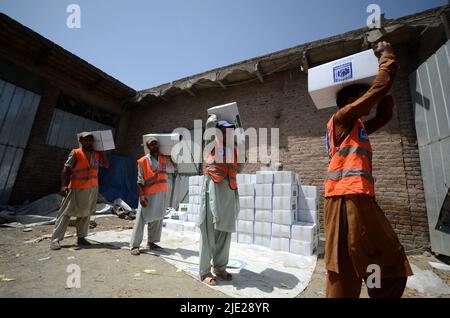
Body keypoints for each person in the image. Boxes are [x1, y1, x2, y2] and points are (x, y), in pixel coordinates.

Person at [324, 41, 413, 298]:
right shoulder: (343, 118)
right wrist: (387, 57)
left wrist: (386, 108)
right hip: (348, 198)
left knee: (349, 262)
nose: (368, 104)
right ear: (351, 101)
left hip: (350, 197)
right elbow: (377, 89)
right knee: (382, 258)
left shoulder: (354, 128)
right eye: (362, 99)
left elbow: (380, 119)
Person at [198, 115, 244, 285]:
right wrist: (214, 118)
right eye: (224, 130)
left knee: (225, 231)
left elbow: (239, 167)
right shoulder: (212, 142)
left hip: (230, 190)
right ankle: (204, 272)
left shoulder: (235, 149)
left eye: (230, 130)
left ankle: (219, 267)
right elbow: (209, 126)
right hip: (213, 189)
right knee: (208, 230)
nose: (228, 133)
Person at [50, 132, 109, 250]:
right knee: (65, 213)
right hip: (76, 187)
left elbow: (106, 165)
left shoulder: (97, 154)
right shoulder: (76, 152)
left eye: (90, 140)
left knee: (86, 213)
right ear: (81, 141)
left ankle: (81, 238)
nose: (87, 142)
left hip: (91, 188)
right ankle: (55, 239)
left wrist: (103, 152)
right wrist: (63, 185)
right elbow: (66, 169)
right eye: (85, 140)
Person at [130, 137, 176, 255]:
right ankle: (135, 245)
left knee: (158, 217)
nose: (154, 146)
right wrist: (141, 196)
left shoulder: (164, 159)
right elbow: (139, 180)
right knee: (141, 219)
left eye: (156, 143)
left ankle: (151, 242)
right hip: (148, 193)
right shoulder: (143, 161)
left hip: (161, 192)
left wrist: (171, 156)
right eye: (151, 144)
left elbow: (173, 168)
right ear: (147, 146)